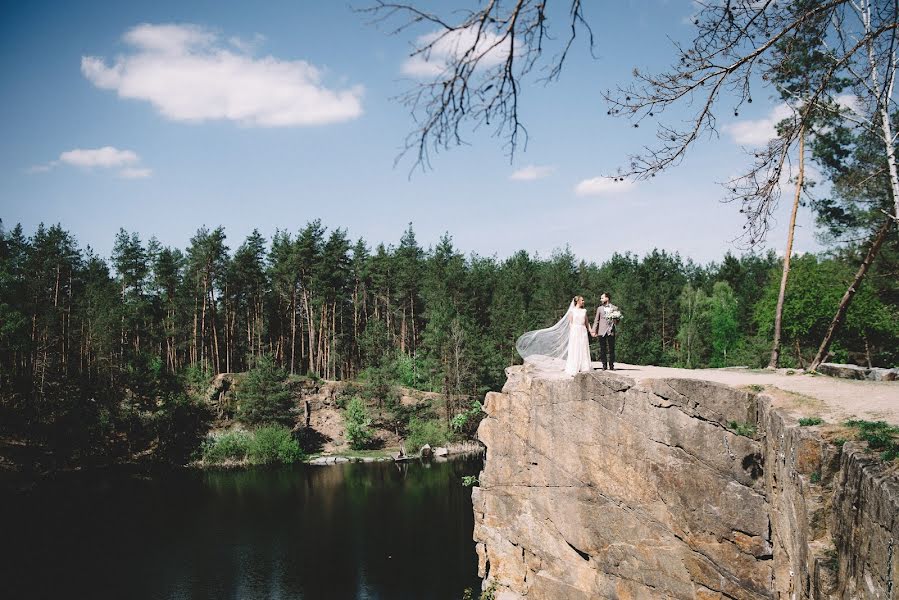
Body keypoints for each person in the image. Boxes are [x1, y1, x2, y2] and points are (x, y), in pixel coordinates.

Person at [515, 296, 593, 376]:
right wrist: (572, 333)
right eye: (582, 300)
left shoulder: (584, 311)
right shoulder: (572, 311)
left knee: (583, 347)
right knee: (575, 347)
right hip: (575, 331)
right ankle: (575, 366)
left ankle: (584, 366)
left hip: (582, 330)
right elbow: (571, 323)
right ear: (578, 301)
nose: (584, 301)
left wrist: (590, 330)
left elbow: (587, 322)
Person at [591, 292, 621, 370]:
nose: (601, 300)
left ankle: (611, 365)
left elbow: (617, 321)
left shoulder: (615, 308)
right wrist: (594, 330)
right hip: (601, 331)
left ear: (607, 298)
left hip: (611, 331)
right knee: (602, 348)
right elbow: (596, 320)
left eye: (602, 298)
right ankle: (604, 365)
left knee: (611, 348)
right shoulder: (599, 308)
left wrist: (616, 319)